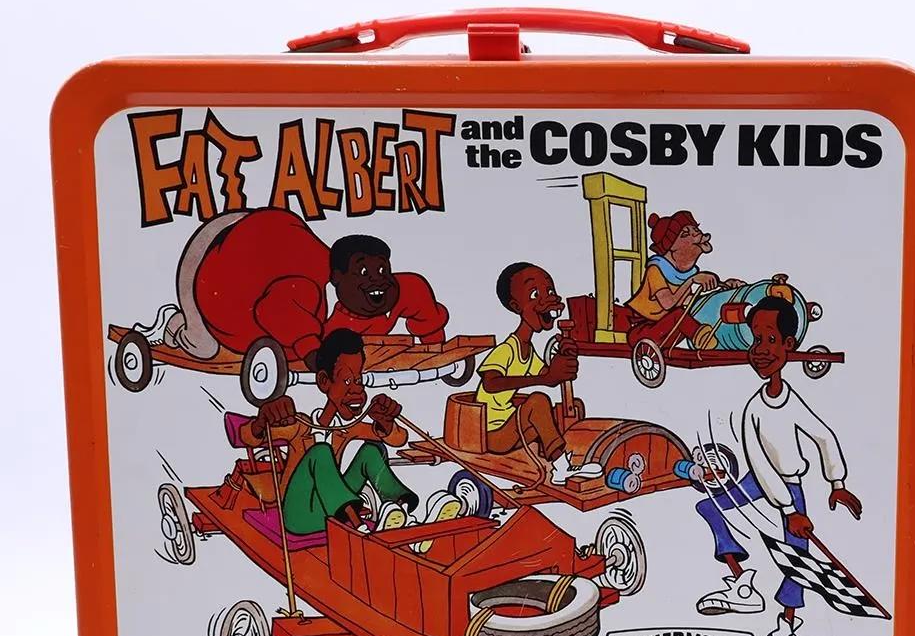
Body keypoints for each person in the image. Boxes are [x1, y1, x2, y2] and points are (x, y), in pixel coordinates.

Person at [694, 296, 863, 636]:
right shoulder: (754, 408)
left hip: (791, 487)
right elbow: (759, 463)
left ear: (789, 345)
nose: (760, 350)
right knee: (709, 506)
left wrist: (837, 483)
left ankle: (786, 627)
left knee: (798, 559)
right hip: (764, 484)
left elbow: (823, 435)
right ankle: (741, 582)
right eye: (756, 340)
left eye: (770, 340)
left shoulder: (789, 398)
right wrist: (788, 511)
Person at [240, 328, 459, 542]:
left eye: (359, 381)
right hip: (299, 515)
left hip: (330, 508)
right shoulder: (299, 426)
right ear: (324, 381)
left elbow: (398, 439)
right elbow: (247, 436)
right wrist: (262, 420)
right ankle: (358, 527)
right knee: (320, 452)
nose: (357, 391)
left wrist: (385, 422)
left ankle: (403, 512)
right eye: (346, 381)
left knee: (370, 452)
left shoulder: (346, 428)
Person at [162, 208, 447, 370]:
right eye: (363, 273)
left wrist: (435, 343)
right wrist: (315, 357)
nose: (377, 281)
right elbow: (274, 310)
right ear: (337, 277)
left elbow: (417, 296)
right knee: (204, 347)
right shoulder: (307, 291)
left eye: (382, 270)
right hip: (224, 291)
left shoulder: (397, 289)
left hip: (263, 234)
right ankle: (182, 324)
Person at [475, 263, 603, 485]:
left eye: (549, 290)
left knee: (561, 410)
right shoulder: (508, 349)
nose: (547, 297)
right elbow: (490, 383)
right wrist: (544, 378)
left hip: (512, 427)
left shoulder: (529, 351)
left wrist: (562, 359)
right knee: (538, 401)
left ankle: (567, 458)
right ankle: (561, 467)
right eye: (535, 294)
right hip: (492, 432)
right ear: (516, 306)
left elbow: (549, 377)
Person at [623, 209, 743, 346]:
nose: (696, 234)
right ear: (671, 247)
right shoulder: (656, 270)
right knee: (679, 315)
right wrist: (692, 280)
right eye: (685, 234)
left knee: (692, 314)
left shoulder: (686, 274)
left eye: (695, 229)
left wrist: (724, 289)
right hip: (643, 331)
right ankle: (703, 340)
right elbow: (668, 304)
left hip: (669, 332)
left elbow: (691, 301)